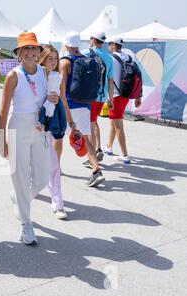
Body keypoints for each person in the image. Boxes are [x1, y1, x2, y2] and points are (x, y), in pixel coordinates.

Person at [0, 32, 59, 245]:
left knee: (42, 178)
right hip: (18, 128)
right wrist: (2, 141)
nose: (31, 52)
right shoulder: (13, 76)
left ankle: (19, 197)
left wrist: (52, 98)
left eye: (34, 48)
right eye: (26, 48)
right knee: (21, 178)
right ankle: (26, 226)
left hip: (39, 129)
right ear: (19, 53)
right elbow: (3, 112)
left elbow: (50, 100)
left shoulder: (45, 73)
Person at [60, 31, 105, 187]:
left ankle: (55, 167)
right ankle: (96, 170)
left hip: (69, 106)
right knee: (86, 140)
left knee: (56, 138)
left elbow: (61, 88)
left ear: (66, 44)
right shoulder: (87, 60)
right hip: (85, 106)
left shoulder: (65, 62)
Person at [37, 44, 77, 220]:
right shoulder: (34, 76)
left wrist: (70, 121)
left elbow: (63, 100)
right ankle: (24, 190)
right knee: (31, 165)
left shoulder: (58, 77)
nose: (53, 62)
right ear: (42, 59)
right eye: (50, 58)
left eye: (55, 58)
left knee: (53, 165)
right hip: (32, 123)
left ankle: (57, 203)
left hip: (51, 123)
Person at [102, 36, 142, 164]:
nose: (109, 46)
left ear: (113, 45)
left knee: (118, 124)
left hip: (116, 96)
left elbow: (109, 79)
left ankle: (124, 155)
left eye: (109, 44)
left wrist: (109, 98)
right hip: (126, 95)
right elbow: (138, 75)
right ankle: (108, 147)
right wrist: (138, 95)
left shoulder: (110, 58)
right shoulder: (129, 57)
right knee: (114, 122)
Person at [81, 31, 115, 168]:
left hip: (87, 96)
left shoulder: (85, 53)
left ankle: (93, 157)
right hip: (101, 96)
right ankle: (98, 149)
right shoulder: (108, 58)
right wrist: (111, 99)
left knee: (89, 125)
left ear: (93, 40)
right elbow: (110, 80)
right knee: (94, 122)